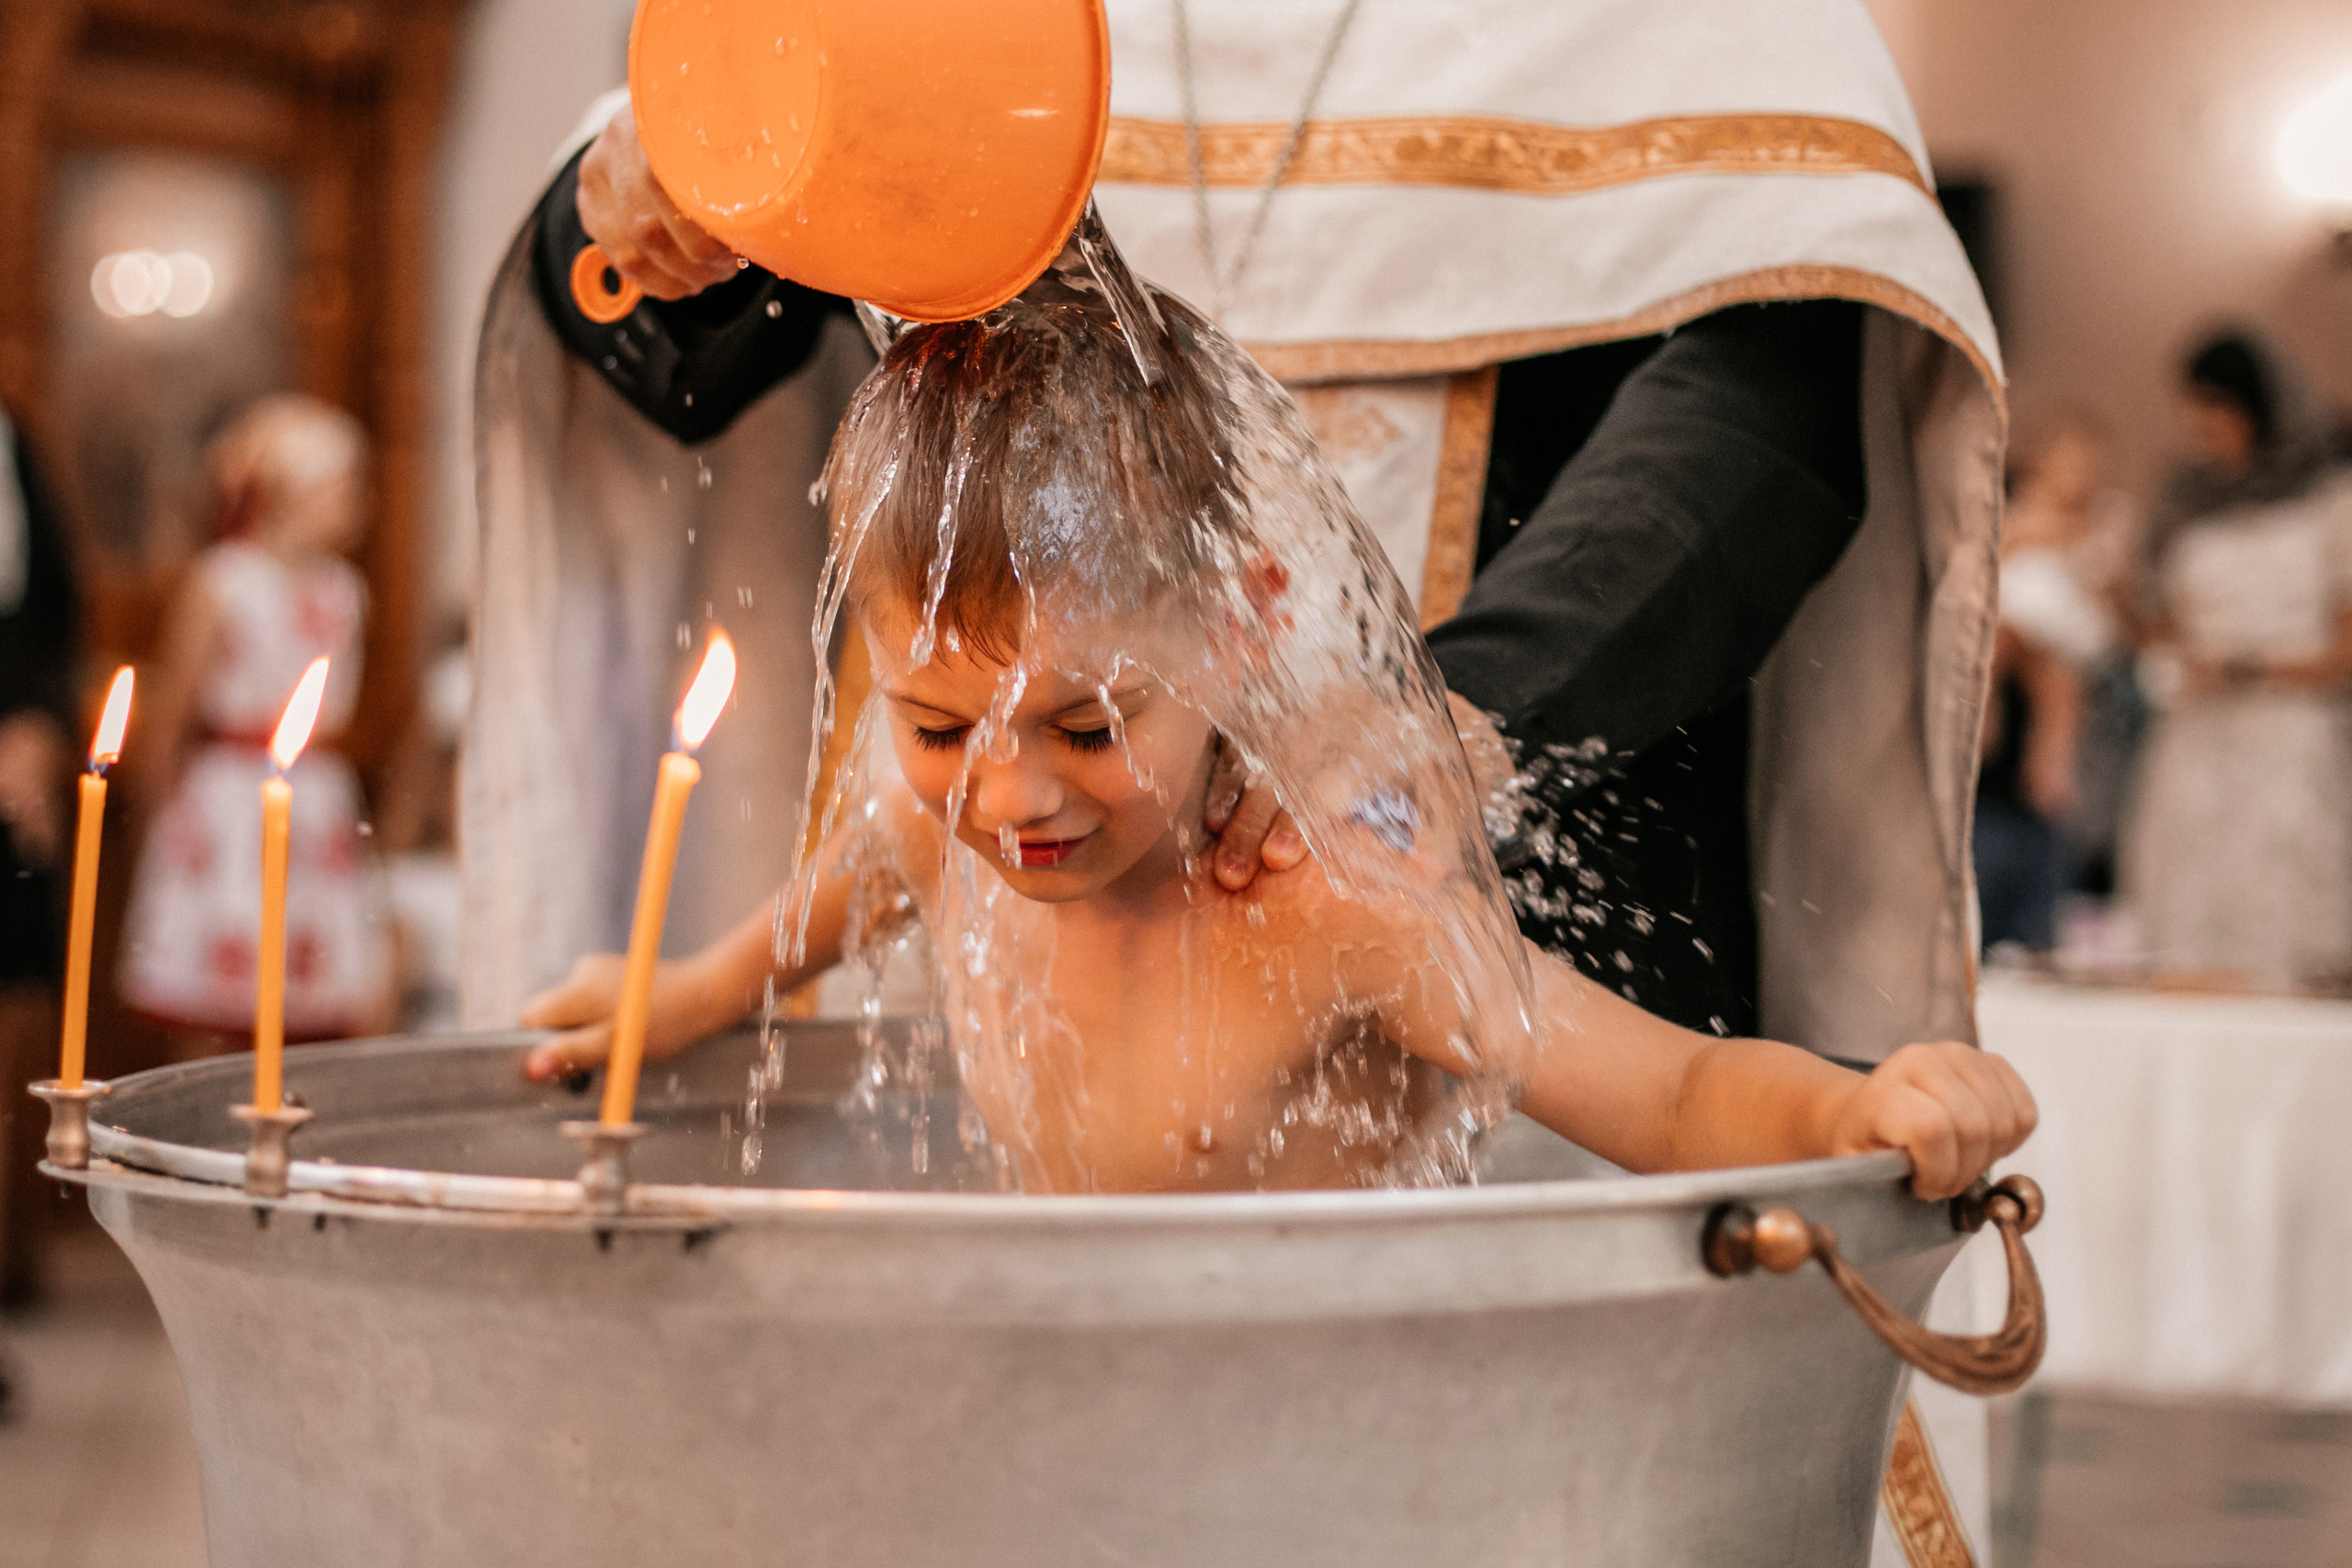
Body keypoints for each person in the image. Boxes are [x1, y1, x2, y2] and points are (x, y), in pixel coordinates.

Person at [518, 281, 2032, 1200]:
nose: (1011, 792)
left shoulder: (1328, 895)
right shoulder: (946, 824)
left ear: (1240, 624)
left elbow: (1672, 1100)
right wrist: (687, 991)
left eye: (1089, 721)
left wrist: (1853, 1105)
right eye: (934, 722)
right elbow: (834, 899)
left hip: (1323, 1438)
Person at [119, 394, 394, 1047]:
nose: (359, 503)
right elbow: (173, 709)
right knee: (215, 987)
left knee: (306, 995)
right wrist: (148, 807)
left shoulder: (346, 590)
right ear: (288, 491)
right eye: (342, 486)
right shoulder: (225, 581)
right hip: (230, 802)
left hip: (314, 798)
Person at [2120, 333, 2352, 991]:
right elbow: (2164, 627)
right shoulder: (2188, 500)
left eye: (2214, 406)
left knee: (2279, 921)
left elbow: (2345, 651)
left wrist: (2245, 669)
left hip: (2287, 736)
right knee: (2187, 924)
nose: (2201, 424)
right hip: (2198, 736)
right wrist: (2121, 605)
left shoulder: (2331, 502)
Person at [1973, 414, 2124, 953]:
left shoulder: (2095, 523)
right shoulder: (2019, 514)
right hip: (2019, 610)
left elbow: (2111, 592)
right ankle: (2000, 715)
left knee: (2057, 681)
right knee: (2016, 650)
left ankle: (2050, 751)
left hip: (2058, 626)